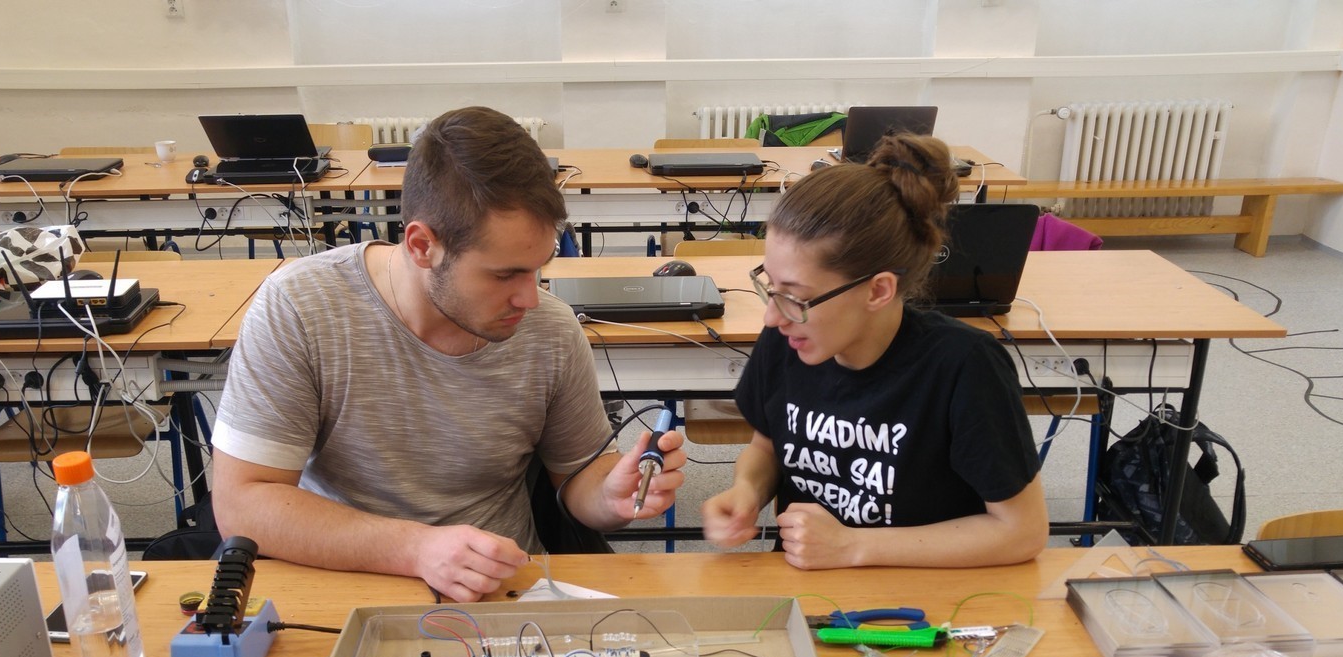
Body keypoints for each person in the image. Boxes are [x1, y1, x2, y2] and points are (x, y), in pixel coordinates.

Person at [211, 106, 685, 601]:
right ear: (422, 246)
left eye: (538, 267)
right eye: (504, 274)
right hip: (344, 585)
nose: (530, 297)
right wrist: (416, 549)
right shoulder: (301, 308)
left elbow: (576, 480)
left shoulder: (549, 328)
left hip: (503, 592)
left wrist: (609, 495)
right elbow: (243, 504)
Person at [701, 133, 1047, 569]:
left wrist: (852, 546)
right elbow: (768, 447)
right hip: (810, 584)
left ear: (878, 290)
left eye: (796, 295)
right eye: (770, 285)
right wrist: (747, 491)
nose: (772, 317)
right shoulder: (789, 338)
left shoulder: (964, 367)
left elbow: (1022, 531)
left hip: (924, 594)